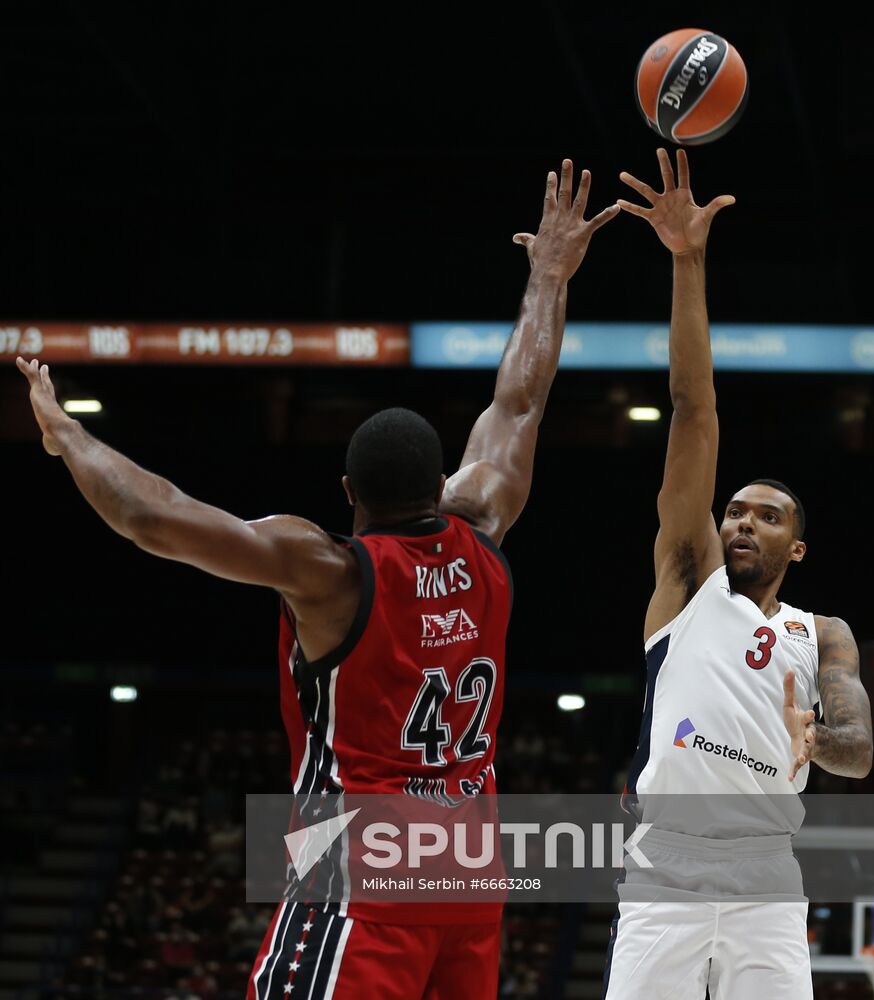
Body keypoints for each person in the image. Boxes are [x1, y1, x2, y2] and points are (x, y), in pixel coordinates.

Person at [16, 159, 619, 1000]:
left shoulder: (331, 570)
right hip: (470, 871)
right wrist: (550, 277)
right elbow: (520, 401)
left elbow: (154, 517)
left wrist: (65, 438)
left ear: (348, 495)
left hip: (360, 863)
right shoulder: (486, 520)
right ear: (443, 481)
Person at [602, 148, 874, 1000]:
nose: (740, 521)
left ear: (797, 548)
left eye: (767, 515)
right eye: (735, 510)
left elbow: (859, 753)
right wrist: (688, 261)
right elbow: (692, 406)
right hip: (667, 872)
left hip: (765, 877)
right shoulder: (689, 585)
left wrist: (813, 741)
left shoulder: (822, 633)